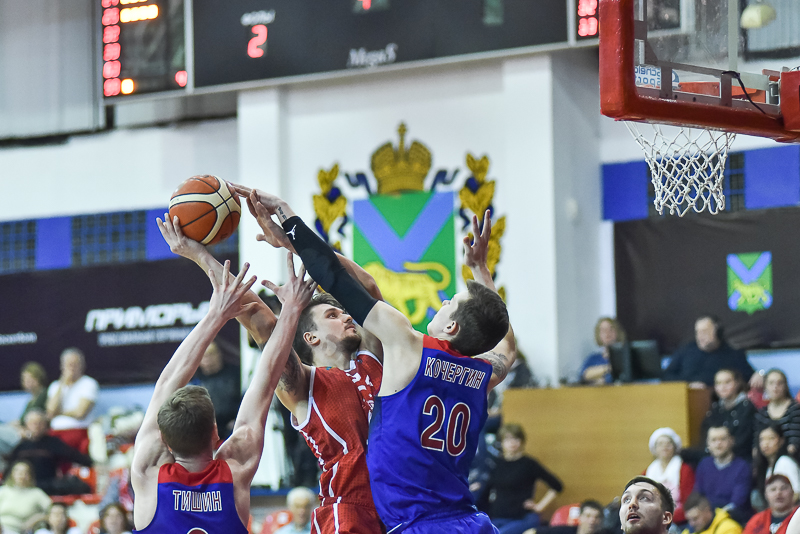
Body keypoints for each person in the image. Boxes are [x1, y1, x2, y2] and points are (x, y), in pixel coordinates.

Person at [241, 186, 516, 533]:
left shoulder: (407, 347)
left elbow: (343, 280)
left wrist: (292, 227)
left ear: (452, 326)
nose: (444, 302)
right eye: (331, 315)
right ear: (310, 338)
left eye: (450, 304)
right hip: (458, 517)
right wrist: (481, 272)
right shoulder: (481, 372)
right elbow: (506, 345)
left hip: (413, 521)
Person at [157, 211, 386, 533]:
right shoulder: (304, 384)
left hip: (403, 502)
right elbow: (257, 317)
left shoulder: (373, 360)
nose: (348, 317)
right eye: (333, 315)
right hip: (349, 510)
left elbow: (368, 287)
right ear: (311, 337)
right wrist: (199, 255)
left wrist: (296, 242)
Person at [130, 258, 315, 533]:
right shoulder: (236, 470)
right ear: (216, 432)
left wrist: (214, 316)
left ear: (165, 441)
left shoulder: (147, 473)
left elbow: (167, 382)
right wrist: (291, 311)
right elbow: (266, 383)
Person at [481, 424, 563, 534]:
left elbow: (557, 486)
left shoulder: (529, 464)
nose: (512, 443)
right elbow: (486, 491)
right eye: (507, 439)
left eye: (516, 439)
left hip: (522, 518)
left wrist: (539, 507)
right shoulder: (496, 464)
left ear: (522, 441)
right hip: (497, 517)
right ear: (501, 442)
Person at [3, 409, 93, 495]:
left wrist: (92, 463)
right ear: (27, 425)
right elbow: (9, 470)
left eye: (40, 423)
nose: (36, 426)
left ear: (46, 425)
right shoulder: (21, 446)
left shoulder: (54, 443)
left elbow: (74, 456)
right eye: (33, 423)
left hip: (48, 485)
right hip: (24, 487)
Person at [663, 316, 759, 389]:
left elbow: (751, 377)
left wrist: (759, 375)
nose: (700, 336)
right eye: (697, 332)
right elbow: (666, 376)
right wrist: (689, 384)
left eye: (704, 331)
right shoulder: (685, 351)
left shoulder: (734, 354)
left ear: (718, 332)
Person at [693, 426, 752, 525]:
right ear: (708, 443)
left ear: (731, 441)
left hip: (732, 519)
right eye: (713, 440)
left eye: (722, 439)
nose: (718, 444)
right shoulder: (704, 464)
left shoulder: (742, 467)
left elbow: (737, 503)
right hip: (706, 519)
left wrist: (713, 517)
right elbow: (698, 495)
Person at [45, 348, 99, 453]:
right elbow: (50, 411)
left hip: (77, 430)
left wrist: (59, 413)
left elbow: (80, 413)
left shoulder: (88, 383)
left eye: (75, 364)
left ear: (82, 366)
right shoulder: (55, 386)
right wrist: (62, 384)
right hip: (55, 431)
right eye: (69, 365)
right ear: (62, 366)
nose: (72, 368)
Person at [0, 363, 48, 473]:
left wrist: (27, 432)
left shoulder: (43, 395)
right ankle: (4, 471)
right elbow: (22, 420)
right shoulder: (31, 400)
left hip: (26, 434)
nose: (26, 382)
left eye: (29, 378)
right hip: (19, 430)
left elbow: (42, 417)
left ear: (37, 378)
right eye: (24, 379)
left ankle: (5, 470)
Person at [701, 369, 757, 460]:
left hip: (740, 458)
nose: (722, 387)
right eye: (718, 383)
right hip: (715, 457)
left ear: (737, 383)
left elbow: (743, 441)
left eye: (727, 382)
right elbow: (705, 435)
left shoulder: (747, 408)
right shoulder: (715, 408)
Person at [642, 428, 695, 525]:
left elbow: (688, 503)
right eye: (660, 444)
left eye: (668, 444)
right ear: (654, 449)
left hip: (678, 520)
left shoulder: (684, 470)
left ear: (675, 447)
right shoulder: (647, 472)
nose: (664, 447)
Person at [194, 340, 241, 440]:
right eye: (205, 356)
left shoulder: (236, 375)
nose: (208, 359)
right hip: (206, 432)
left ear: (219, 354)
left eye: (211, 354)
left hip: (234, 427)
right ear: (199, 360)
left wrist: (238, 420)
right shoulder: (195, 382)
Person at [754, 370, 800, 458]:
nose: (775, 387)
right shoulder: (761, 413)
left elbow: (794, 443)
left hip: (791, 458)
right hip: (765, 459)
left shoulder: (795, 409)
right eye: (771, 383)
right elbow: (756, 443)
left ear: (785, 386)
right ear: (765, 386)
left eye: (780, 383)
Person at [0, 460, 51, 534]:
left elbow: (54, 510)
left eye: (25, 472)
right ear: (12, 473)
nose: (21, 474)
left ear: (30, 475)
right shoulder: (3, 490)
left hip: (19, 530)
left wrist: (37, 518)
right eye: (17, 471)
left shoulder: (36, 493)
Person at [754, 425, 800, 500]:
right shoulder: (765, 466)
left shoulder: (785, 461)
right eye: (762, 439)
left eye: (771, 438)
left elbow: (797, 493)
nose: (766, 444)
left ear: (781, 440)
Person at [580, 318, 626, 385]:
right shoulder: (592, 359)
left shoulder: (625, 358)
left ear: (617, 332)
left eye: (611, 329)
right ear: (599, 335)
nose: (608, 333)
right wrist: (608, 368)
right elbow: (584, 375)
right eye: (604, 330)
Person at [522, 500, 606, 534]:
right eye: (588, 516)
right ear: (580, 517)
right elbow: (531, 532)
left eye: (597, 517)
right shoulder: (566, 530)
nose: (592, 520)